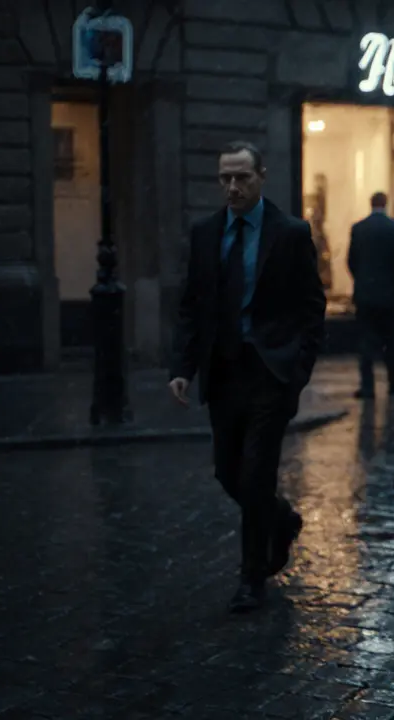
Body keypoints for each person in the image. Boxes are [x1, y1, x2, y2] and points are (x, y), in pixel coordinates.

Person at [168, 141, 326, 611]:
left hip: (270, 374)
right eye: (225, 179)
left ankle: (251, 578)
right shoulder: (205, 233)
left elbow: (311, 307)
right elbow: (193, 307)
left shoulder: (291, 233)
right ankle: (281, 518)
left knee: (257, 474)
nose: (233, 187)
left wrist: (297, 371)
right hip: (223, 372)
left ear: (261, 176)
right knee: (227, 472)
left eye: (242, 177)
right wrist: (183, 367)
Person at [348, 192, 394, 398]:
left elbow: (351, 261)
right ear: (385, 204)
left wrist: (362, 280)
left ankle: (367, 386)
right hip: (389, 295)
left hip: (366, 294)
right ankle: (393, 381)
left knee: (366, 341)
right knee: (391, 340)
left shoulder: (359, 229)